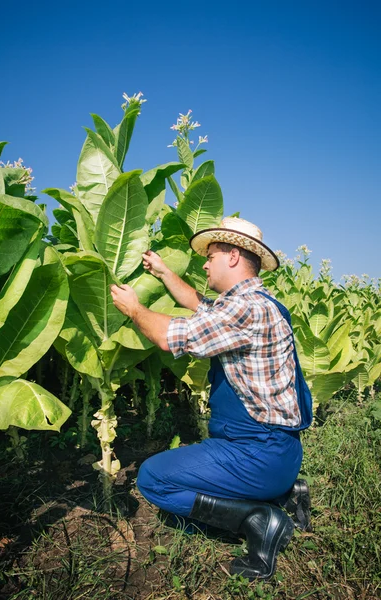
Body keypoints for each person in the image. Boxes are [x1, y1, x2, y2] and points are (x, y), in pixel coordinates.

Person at [110, 217, 312, 581]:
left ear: (233, 256)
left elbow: (171, 336)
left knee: (154, 479)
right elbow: (197, 304)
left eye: (211, 255)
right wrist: (163, 273)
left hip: (258, 453)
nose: (204, 263)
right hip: (273, 451)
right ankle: (282, 494)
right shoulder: (250, 302)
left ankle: (258, 518)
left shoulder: (246, 310)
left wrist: (134, 309)